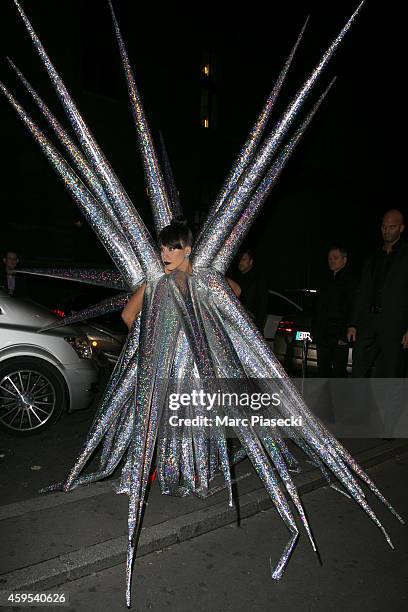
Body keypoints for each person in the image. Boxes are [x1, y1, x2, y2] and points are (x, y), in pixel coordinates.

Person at [347, 209, 408, 377]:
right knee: (357, 370)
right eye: (384, 227)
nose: (387, 230)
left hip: (394, 326)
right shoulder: (373, 257)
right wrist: (353, 323)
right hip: (368, 322)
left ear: (401, 228)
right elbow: (362, 291)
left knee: (390, 374)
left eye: (391, 227)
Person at [312, 246, 356, 377]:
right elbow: (319, 307)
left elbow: (353, 307)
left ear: (344, 259)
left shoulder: (351, 281)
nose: (332, 261)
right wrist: (316, 330)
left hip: (338, 335)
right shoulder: (326, 280)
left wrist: (346, 333)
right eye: (330, 258)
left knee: (338, 374)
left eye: (335, 258)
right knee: (322, 372)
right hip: (323, 335)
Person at [231, 248, 268, 334]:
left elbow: (262, 305)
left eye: (244, 260)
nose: (240, 263)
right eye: (240, 260)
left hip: (251, 324)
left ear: (251, 261)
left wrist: (257, 328)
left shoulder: (257, 280)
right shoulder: (237, 279)